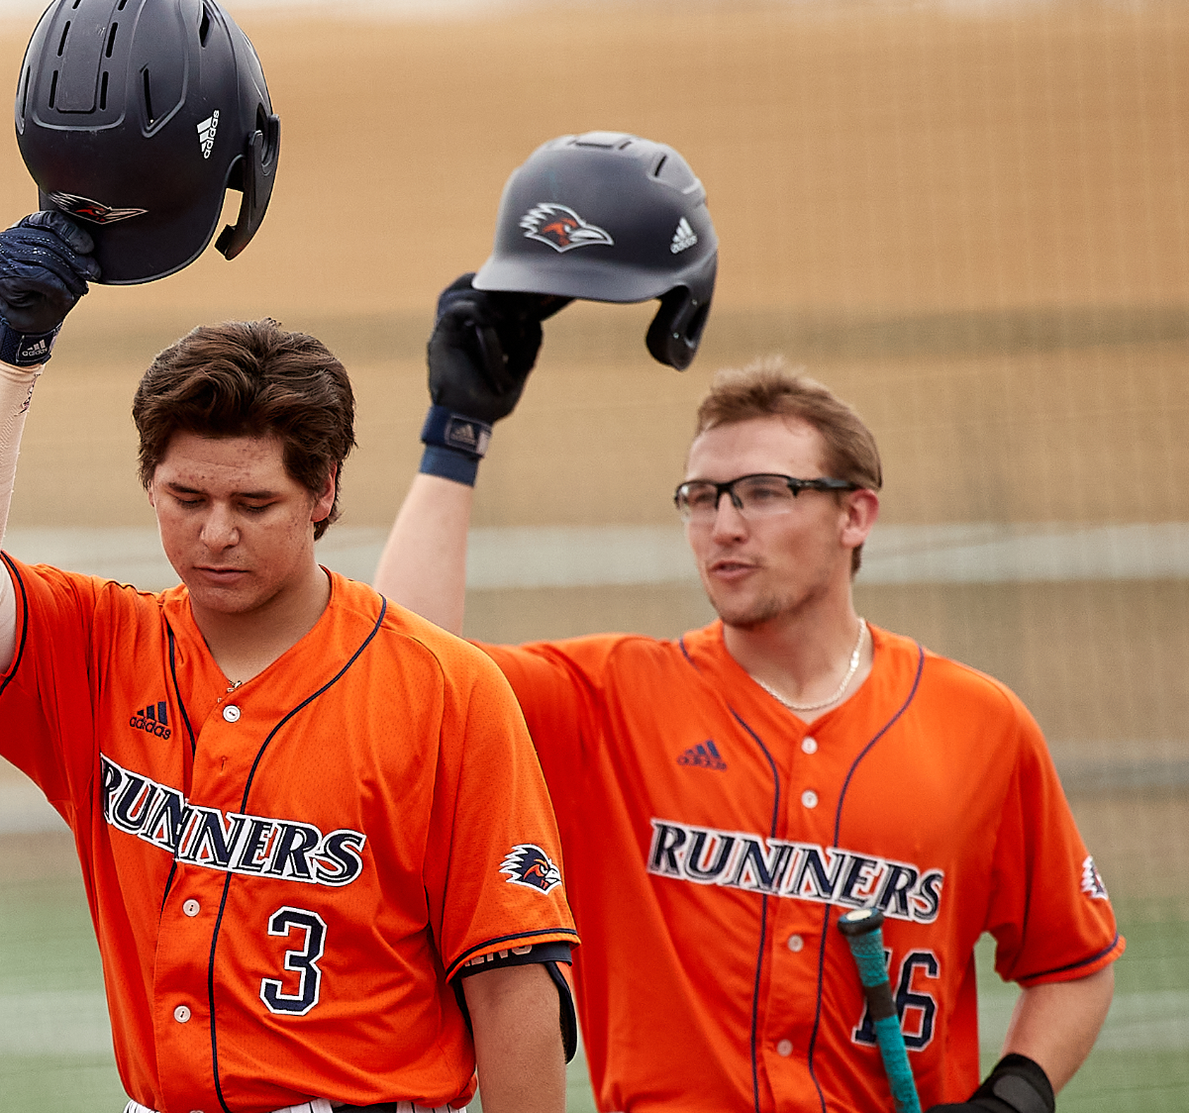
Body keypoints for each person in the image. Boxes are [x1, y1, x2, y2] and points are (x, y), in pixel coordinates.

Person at [373, 287, 1122, 1113]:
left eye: (763, 492)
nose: (724, 524)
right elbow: (410, 672)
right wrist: (456, 434)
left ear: (855, 515)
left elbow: (1074, 962)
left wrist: (1018, 1093)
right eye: (702, 496)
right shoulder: (611, 698)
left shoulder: (982, 723)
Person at [0, 212, 579, 1113]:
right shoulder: (104, 645)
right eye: (186, 495)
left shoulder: (446, 689)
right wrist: (13, 355)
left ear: (325, 489)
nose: (215, 532)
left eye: (255, 501)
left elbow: (512, 981)